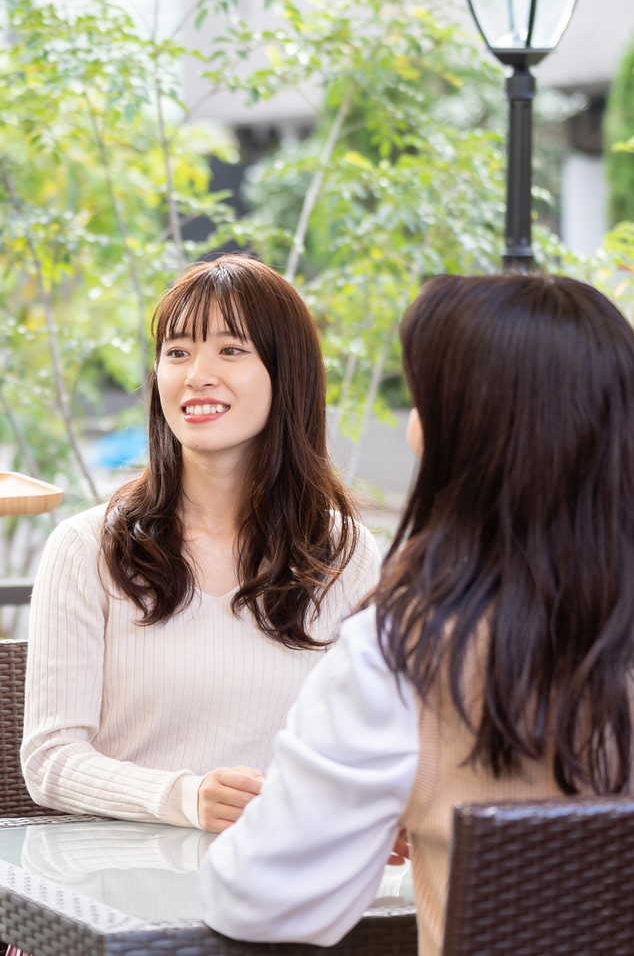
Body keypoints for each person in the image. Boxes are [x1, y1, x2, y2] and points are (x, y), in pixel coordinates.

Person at [199, 273, 634, 955]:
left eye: (424, 404)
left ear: (471, 436)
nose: (413, 429)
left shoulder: (402, 650)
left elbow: (264, 901)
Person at [22, 254, 381, 834]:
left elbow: (369, 744)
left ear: (286, 374)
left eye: (231, 350)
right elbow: (49, 760)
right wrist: (184, 798)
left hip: (281, 877)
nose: (197, 374)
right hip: (114, 893)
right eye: (178, 351)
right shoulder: (87, 548)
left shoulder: (343, 553)